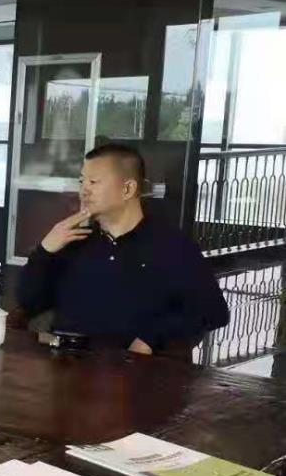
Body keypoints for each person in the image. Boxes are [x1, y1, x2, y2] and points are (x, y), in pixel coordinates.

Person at [17, 143, 228, 355]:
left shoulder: (171, 246)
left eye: (93, 182)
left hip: (131, 369)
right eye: (82, 182)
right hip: (65, 362)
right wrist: (45, 250)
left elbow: (213, 310)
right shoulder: (74, 242)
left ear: (128, 189)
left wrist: (150, 338)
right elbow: (27, 302)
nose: (84, 191)